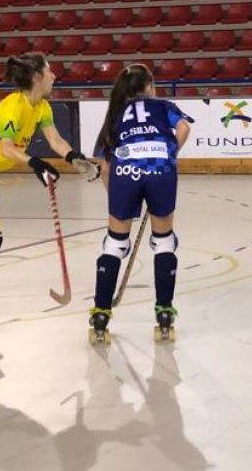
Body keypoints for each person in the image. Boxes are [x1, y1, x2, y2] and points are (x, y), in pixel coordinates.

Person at [0, 52, 91, 334]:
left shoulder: (42, 108)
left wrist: (75, 159)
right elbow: (6, 148)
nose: (54, 76)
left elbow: (55, 140)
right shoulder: (12, 106)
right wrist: (35, 163)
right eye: (50, 71)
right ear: (37, 77)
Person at [87, 64, 191, 344]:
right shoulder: (163, 105)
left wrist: (118, 196)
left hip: (125, 172)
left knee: (115, 243)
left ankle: (100, 314)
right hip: (161, 168)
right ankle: (164, 313)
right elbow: (184, 127)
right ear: (148, 86)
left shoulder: (115, 113)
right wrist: (169, 153)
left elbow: (104, 165)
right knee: (164, 241)